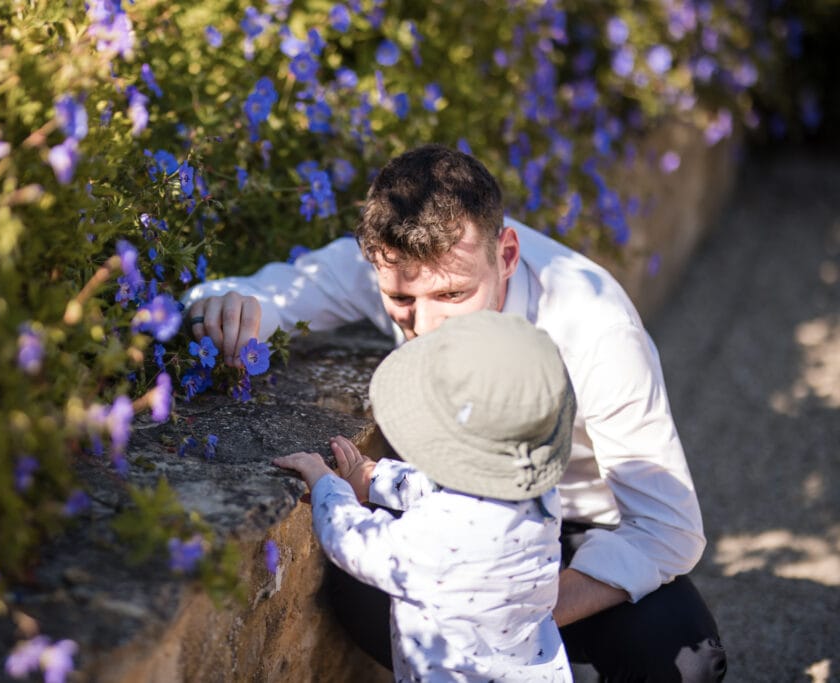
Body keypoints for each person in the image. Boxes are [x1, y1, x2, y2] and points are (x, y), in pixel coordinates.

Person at [185, 144, 726, 681]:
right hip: (445, 518)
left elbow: (668, 529)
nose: (426, 326)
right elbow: (270, 291)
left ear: (507, 255)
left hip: (576, 526)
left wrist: (514, 620)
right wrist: (235, 305)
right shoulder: (397, 260)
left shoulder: (597, 330)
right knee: (358, 590)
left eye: (453, 293)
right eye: (401, 302)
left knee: (684, 665)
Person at [273, 311, 575, 682]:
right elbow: (446, 491)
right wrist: (373, 478)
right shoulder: (536, 493)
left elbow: (354, 541)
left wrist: (326, 484)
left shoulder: (440, 535)